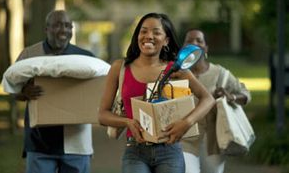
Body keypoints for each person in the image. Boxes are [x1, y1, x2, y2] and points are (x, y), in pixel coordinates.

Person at [98, 13, 215, 173]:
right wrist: (127, 122)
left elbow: (208, 99)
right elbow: (102, 115)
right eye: (143, 31)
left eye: (156, 32)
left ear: (166, 40)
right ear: (137, 36)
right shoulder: (120, 68)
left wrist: (186, 122)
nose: (149, 36)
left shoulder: (176, 69)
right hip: (135, 151)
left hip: (170, 150)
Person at [14, 10, 95, 173]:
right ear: (47, 29)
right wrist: (24, 92)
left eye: (67, 26)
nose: (63, 30)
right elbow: (12, 88)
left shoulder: (86, 58)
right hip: (39, 143)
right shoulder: (29, 55)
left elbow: (97, 92)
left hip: (77, 143)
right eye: (57, 25)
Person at [180, 29, 252, 173]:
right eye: (189, 40)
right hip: (184, 139)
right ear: (183, 47)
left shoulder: (220, 74)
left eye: (199, 40)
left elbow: (245, 93)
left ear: (206, 48)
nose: (194, 43)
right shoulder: (177, 74)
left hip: (213, 140)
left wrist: (232, 97)